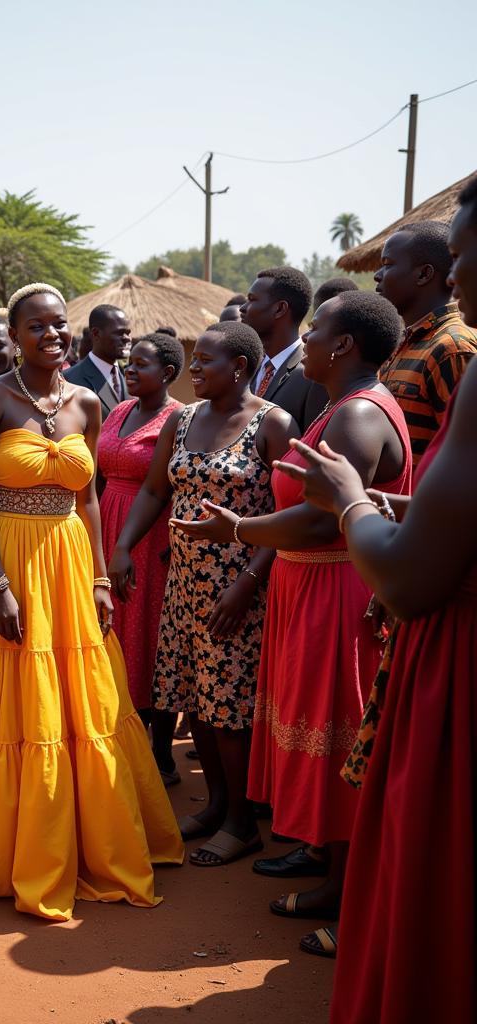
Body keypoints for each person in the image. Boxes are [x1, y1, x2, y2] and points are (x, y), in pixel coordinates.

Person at [276, 179, 477, 1024]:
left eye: (465, 255)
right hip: (411, 550)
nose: (463, 274)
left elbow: (412, 574)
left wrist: (353, 497)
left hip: (429, 622)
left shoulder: (457, 356)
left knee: (431, 868)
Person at [0, 283, 183, 921]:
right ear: (15, 336)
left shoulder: (89, 402)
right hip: (8, 562)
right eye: (36, 326)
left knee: (80, 698)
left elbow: (89, 495)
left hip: (69, 562)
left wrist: (99, 577)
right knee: (6, 702)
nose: (52, 335)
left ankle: (85, 840)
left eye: (60, 325)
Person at [171, 291, 410, 957]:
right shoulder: (339, 407)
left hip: (337, 588)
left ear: (345, 347)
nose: (302, 341)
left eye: (316, 332)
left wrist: (238, 528)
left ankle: (356, 899)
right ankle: (334, 876)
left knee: (342, 744)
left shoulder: (358, 414)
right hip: (312, 587)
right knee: (325, 739)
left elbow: (319, 515)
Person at [109, 320, 299, 866]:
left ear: (239, 368)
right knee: (196, 698)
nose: (193, 369)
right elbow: (153, 489)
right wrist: (123, 547)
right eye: (194, 362)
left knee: (230, 707)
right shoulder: (184, 418)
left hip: (240, 585)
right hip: (185, 582)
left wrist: (248, 582)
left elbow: (288, 514)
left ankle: (242, 822)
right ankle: (216, 805)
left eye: (205, 362)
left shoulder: (272, 423)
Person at [98, 332, 185, 783]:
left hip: (149, 537)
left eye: (142, 365)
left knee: (151, 635)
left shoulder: (178, 419)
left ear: (168, 374)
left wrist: (128, 545)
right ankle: (120, 737)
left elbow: (165, 487)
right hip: (107, 523)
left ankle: (162, 754)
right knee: (114, 634)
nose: (130, 370)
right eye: (129, 364)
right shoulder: (118, 410)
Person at [374, 219, 477, 459]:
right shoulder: (402, 341)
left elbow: (465, 458)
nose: (378, 276)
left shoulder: (453, 348)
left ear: (423, 274)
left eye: (388, 264)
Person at [240, 267, 327, 431]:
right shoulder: (246, 366)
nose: (242, 308)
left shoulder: (312, 376)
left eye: (252, 300)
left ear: (280, 309)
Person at [64, 303, 131, 418]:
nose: (126, 338)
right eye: (119, 333)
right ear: (96, 334)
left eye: (128, 333)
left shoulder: (130, 376)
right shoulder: (69, 380)